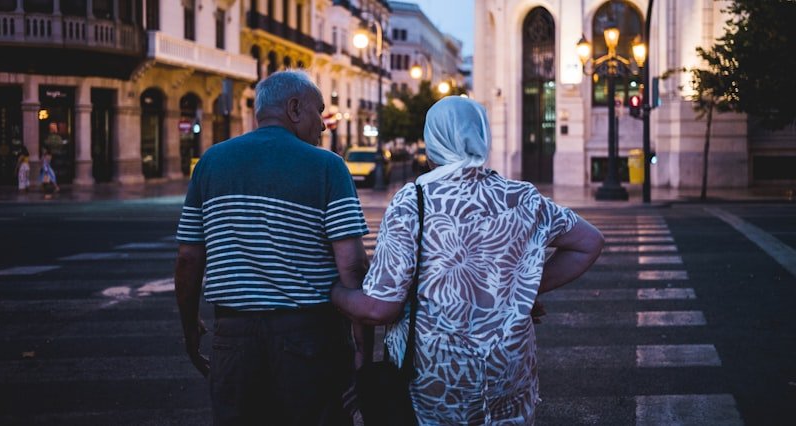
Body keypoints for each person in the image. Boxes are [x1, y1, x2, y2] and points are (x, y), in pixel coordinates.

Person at [331, 96, 604, 425]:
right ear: (482, 137)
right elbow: (589, 242)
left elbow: (379, 307)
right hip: (510, 369)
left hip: (438, 376)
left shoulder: (413, 202)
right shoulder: (521, 196)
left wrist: (335, 292)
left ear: (433, 141)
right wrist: (516, 291)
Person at [174, 70, 370, 425]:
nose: (323, 126)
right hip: (311, 340)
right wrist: (363, 352)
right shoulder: (327, 166)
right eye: (319, 111)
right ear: (295, 108)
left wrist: (190, 328)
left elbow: (188, 259)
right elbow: (353, 268)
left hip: (233, 340)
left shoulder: (211, 163)